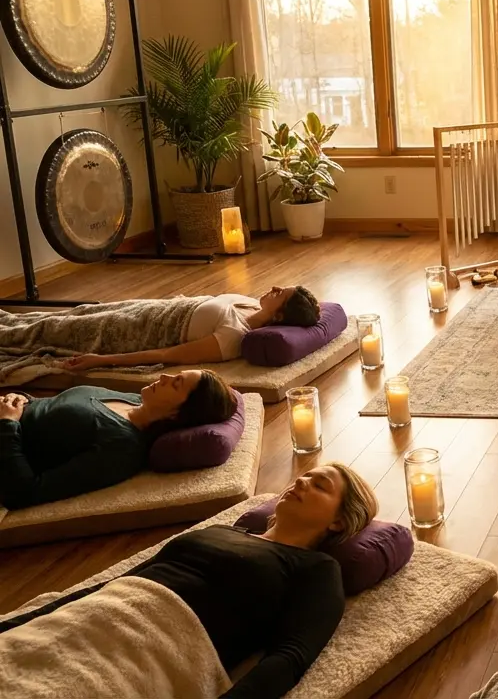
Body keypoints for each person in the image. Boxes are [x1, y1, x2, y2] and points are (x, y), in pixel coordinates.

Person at [0, 464, 377, 699]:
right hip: (102, 613)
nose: (303, 480)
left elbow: (290, 657)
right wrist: (19, 623)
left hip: (156, 648)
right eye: (305, 475)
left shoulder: (318, 569)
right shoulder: (217, 532)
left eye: (320, 485)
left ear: (339, 521)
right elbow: (118, 583)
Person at [0, 369, 237, 509]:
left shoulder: (122, 448)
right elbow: (51, 411)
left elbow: (24, 492)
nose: (164, 375)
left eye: (176, 384)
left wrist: (8, 424)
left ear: (178, 413)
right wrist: (21, 399)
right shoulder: (134, 399)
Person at [59, 285, 321, 371]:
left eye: (279, 294)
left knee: (57, 329)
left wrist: (100, 360)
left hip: (137, 329)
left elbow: (167, 355)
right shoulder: (250, 304)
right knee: (82, 310)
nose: (274, 287)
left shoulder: (233, 337)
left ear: (278, 316)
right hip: (152, 307)